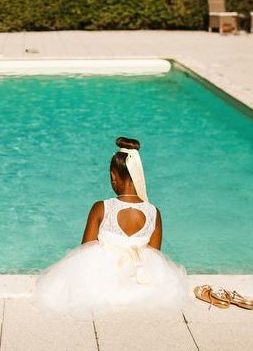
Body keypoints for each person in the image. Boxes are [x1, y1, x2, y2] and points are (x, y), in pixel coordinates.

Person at [33, 136, 190, 319]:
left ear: (113, 177)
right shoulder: (155, 213)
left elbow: (85, 248)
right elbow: (155, 253)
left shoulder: (102, 207)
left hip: (103, 280)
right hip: (140, 280)